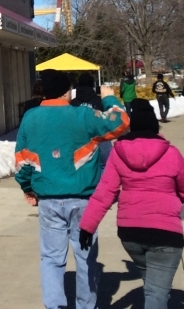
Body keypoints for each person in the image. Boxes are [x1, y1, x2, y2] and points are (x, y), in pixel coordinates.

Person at [15, 69, 130, 309]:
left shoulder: (30, 117)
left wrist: (28, 187)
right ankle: (86, 305)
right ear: (68, 91)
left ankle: (54, 305)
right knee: (86, 257)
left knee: (51, 258)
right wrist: (109, 97)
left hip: (47, 199)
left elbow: (22, 160)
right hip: (85, 200)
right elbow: (122, 123)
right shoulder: (83, 115)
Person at [78, 100, 184, 309]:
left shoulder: (118, 152)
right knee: (156, 292)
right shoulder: (171, 153)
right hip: (165, 235)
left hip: (130, 233)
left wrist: (87, 227)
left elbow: (105, 192)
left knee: (152, 284)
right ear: (155, 126)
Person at [72, 73, 112, 175]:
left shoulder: (73, 103)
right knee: (105, 164)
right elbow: (110, 117)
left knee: (79, 165)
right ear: (92, 85)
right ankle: (101, 187)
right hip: (100, 136)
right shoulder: (100, 101)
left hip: (78, 138)